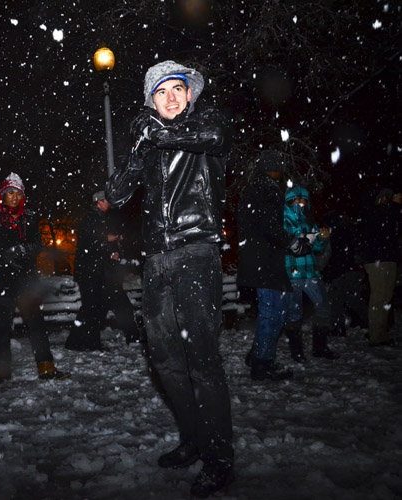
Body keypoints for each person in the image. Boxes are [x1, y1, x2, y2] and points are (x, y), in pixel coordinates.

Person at [105, 60, 233, 497]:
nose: (172, 97)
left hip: (197, 251)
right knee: (165, 361)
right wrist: (140, 146)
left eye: (178, 89)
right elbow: (116, 192)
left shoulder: (207, 124)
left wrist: (157, 132)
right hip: (157, 261)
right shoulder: (151, 141)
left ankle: (219, 459)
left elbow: (213, 137)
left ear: (189, 94)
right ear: (152, 101)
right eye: (161, 92)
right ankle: (193, 440)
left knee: (202, 359)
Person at [0, 172, 69, 386]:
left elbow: (37, 244)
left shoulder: (29, 216)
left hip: (26, 280)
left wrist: (22, 250)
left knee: (37, 326)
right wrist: (4, 256)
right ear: (3, 194)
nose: (14, 197)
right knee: (3, 329)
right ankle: (2, 373)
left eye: (18, 194)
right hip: (3, 281)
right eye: (10, 193)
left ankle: (46, 368)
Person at [237, 150, 311, 380]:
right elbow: (268, 223)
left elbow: (260, 222)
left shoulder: (254, 187)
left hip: (258, 259)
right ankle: (262, 363)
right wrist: (293, 242)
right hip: (264, 261)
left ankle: (258, 355)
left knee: (274, 310)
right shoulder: (266, 188)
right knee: (273, 312)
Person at [64, 191, 140, 351]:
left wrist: (113, 252)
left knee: (97, 307)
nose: (110, 204)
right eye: (107, 201)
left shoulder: (101, 218)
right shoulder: (91, 218)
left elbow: (96, 244)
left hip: (100, 272)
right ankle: (83, 343)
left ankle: (83, 342)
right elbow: (90, 241)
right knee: (93, 307)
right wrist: (106, 241)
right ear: (99, 202)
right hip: (92, 272)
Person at [283, 184, 340, 361]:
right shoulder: (282, 220)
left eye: (303, 199)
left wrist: (322, 238)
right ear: (289, 200)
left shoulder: (309, 220)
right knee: (294, 313)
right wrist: (299, 239)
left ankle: (320, 347)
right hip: (291, 272)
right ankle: (296, 350)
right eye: (297, 199)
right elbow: (282, 244)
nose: (300, 203)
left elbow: (316, 247)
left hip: (311, 272)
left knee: (323, 306)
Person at [360, 188, 402, 346]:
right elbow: (379, 223)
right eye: (387, 198)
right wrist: (394, 205)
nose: (389, 200)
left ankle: (380, 333)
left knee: (386, 298)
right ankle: (376, 335)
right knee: (379, 297)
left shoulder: (391, 213)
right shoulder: (375, 212)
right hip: (376, 259)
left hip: (389, 259)